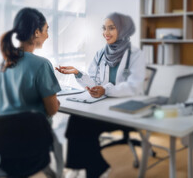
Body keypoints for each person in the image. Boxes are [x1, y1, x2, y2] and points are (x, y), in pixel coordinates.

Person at [56, 12, 145, 178]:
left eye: (112, 28)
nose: (106, 32)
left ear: (124, 30)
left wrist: (106, 90)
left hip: (124, 112)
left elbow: (134, 87)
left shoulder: (135, 55)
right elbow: (94, 84)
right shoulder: (101, 54)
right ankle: (80, 166)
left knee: (84, 126)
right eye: (104, 28)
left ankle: (96, 168)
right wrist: (78, 74)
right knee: (76, 120)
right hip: (101, 108)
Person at [0, 7, 61, 121]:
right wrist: (55, 103)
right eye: (46, 30)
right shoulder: (42, 65)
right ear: (37, 32)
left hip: (8, 133)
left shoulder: (6, 61)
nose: (47, 36)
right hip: (34, 134)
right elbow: (52, 110)